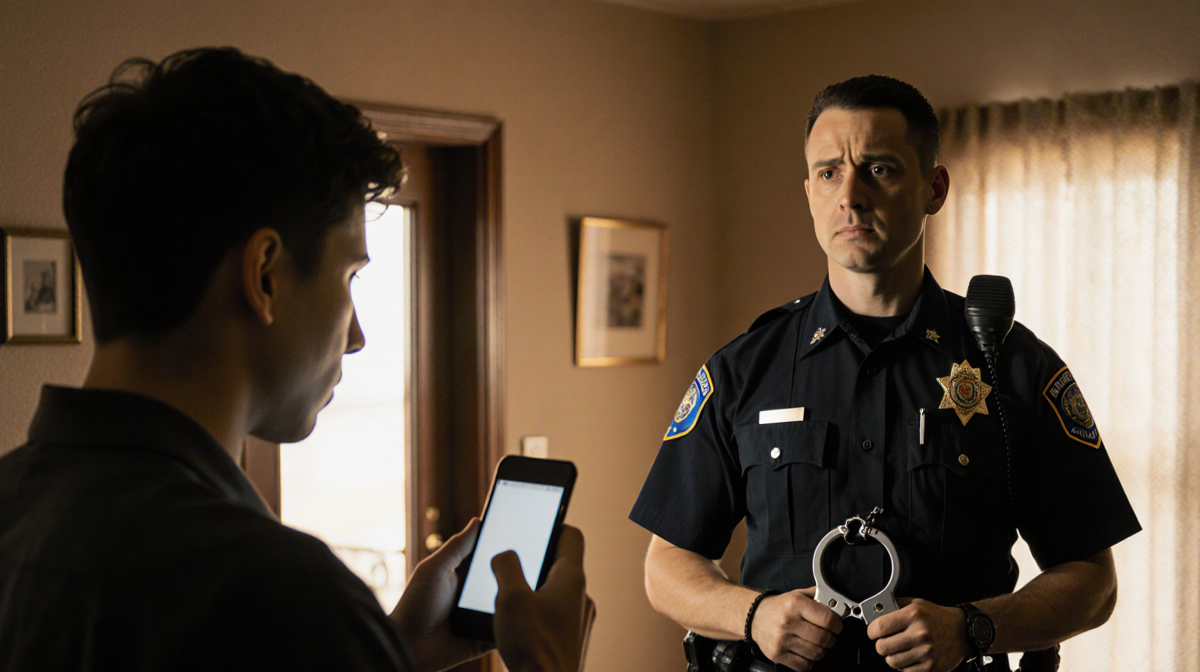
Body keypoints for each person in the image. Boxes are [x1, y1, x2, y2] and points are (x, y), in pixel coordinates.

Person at [0, 47, 593, 672]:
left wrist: (390, 655)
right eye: (349, 276)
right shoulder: (275, 598)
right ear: (265, 276)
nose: (357, 334)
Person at [630, 75, 1140, 672]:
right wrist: (753, 615)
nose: (850, 195)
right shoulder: (746, 368)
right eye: (828, 173)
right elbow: (665, 566)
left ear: (933, 187)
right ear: (809, 192)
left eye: (878, 169)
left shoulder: (1014, 365)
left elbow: (1092, 580)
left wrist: (974, 628)